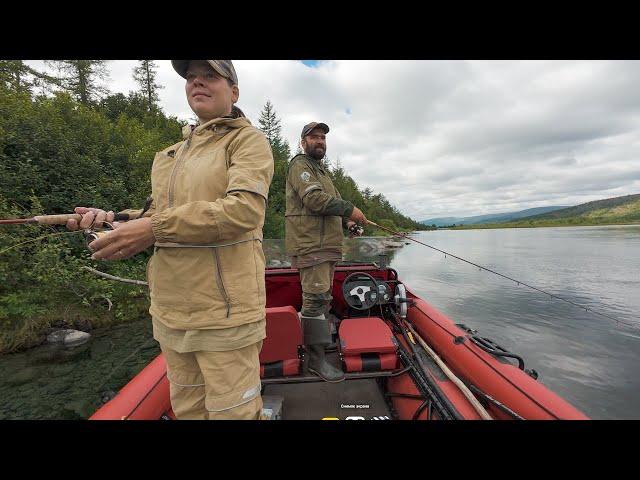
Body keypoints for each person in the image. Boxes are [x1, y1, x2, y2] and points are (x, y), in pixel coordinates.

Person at [66, 60, 274, 419]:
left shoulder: (247, 141)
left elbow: (243, 211)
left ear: (233, 92)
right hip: (171, 315)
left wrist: (152, 229)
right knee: (189, 411)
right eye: (191, 77)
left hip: (225, 317)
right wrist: (111, 219)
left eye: (210, 76)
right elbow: (157, 214)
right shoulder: (167, 156)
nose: (198, 83)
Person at [285, 122, 367, 382]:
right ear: (303, 142)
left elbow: (333, 206)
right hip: (312, 246)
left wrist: (349, 223)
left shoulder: (322, 172)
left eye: (322, 137)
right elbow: (315, 200)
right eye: (314, 137)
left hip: (327, 248)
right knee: (315, 301)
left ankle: (317, 351)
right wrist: (351, 210)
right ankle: (315, 361)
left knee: (323, 300)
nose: (319, 141)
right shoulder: (301, 165)